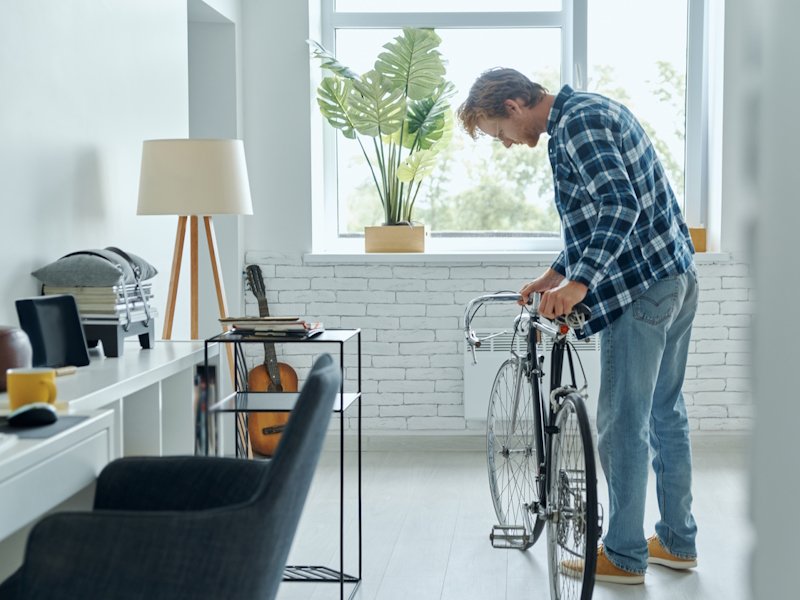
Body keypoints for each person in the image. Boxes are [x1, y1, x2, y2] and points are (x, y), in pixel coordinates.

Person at [457, 68, 699, 585]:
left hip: (642, 291)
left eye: (499, 131)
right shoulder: (585, 113)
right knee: (664, 413)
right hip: (673, 275)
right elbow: (596, 220)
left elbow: (619, 207)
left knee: (620, 426)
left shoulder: (577, 126)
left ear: (516, 103)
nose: (504, 144)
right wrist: (556, 272)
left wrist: (580, 284)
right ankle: (678, 542)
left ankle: (625, 554)